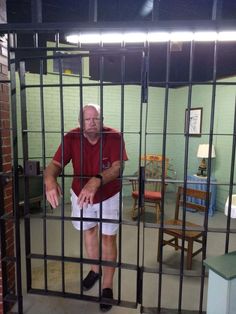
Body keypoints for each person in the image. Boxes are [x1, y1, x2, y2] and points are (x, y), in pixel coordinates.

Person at [44, 104, 128, 312]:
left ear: (102, 119)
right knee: (89, 231)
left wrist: (97, 180)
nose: (92, 123)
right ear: (80, 123)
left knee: (108, 237)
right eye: (87, 119)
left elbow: (118, 168)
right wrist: (49, 180)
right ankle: (94, 270)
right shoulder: (71, 137)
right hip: (81, 194)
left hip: (109, 193)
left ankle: (107, 286)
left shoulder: (114, 136)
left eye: (96, 118)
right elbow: (55, 164)